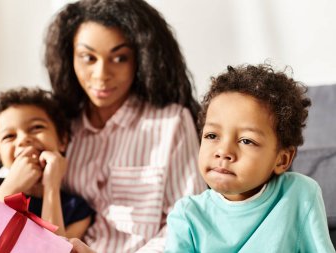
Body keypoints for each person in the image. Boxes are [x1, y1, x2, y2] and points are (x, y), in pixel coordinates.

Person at [44, 0, 207, 252]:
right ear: (70, 57)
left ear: (141, 58)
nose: (101, 74)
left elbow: (188, 224)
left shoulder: (171, 123)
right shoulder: (59, 126)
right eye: (88, 57)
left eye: (119, 58)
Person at [165, 64, 336, 252]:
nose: (223, 151)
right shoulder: (187, 216)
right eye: (212, 136)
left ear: (282, 160)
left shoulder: (300, 194)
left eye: (246, 140)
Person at [0, 87, 94, 238]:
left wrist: (51, 188)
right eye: (9, 136)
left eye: (36, 127)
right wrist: (12, 186)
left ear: (63, 140)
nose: (23, 139)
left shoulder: (77, 210)